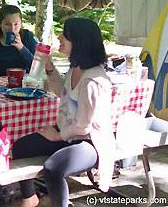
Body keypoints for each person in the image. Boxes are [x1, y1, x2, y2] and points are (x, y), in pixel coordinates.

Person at [12, 18, 115, 207]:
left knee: (53, 168)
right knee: (21, 147)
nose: (59, 37)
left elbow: (83, 126)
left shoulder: (93, 81)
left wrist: (57, 136)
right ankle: (30, 199)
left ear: (78, 42)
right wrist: (49, 68)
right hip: (68, 135)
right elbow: (63, 93)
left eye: (65, 35)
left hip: (90, 142)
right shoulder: (77, 68)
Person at [0, 4, 38, 76]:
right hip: (0, 83)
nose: (12, 29)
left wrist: (21, 48)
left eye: (16, 24)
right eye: (7, 24)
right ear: (0, 24)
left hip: (24, 81)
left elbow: (36, 66)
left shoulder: (28, 37)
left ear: (21, 23)